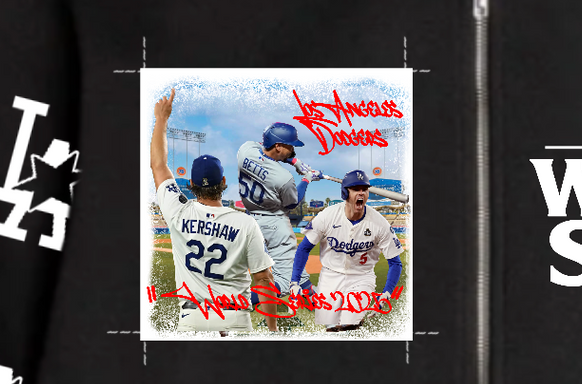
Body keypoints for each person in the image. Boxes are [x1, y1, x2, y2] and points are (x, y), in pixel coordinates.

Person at [150, 94, 282, 334]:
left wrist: (161, 120)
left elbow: (158, 165)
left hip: (192, 319)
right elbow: (263, 279)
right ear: (223, 182)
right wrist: (272, 330)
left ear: (191, 184)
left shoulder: (177, 210)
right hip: (235, 318)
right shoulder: (245, 223)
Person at [292, 169, 403, 333]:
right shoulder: (327, 216)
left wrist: (386, 293)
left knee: (349, 324)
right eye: (356, 189)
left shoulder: (380, 223)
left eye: (364, 189)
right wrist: (294, 282)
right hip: (330, 275)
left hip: (361, 276)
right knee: (330, 327)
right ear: (345, 193)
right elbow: (304, 248)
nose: (361, 193)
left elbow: (395, 263)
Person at [234, 121, 326, 287]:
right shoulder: (283, 178)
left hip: (249, 221)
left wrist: (294, 161)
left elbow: (262, 148)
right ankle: (237, 301)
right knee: (290, 280)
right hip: (274, 225)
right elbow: (293, 202)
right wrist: (307, 178)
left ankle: (312, 296)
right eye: (289, 146)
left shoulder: (245, 150)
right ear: (278, 146)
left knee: (291, 275)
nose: (292, 149)